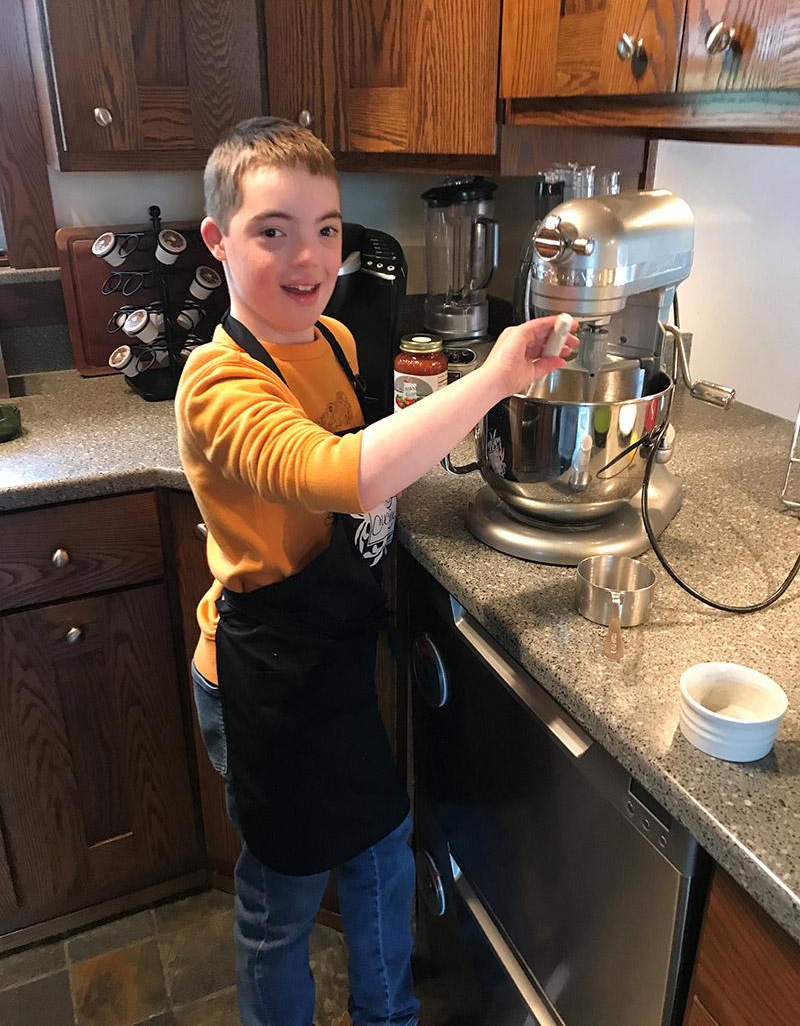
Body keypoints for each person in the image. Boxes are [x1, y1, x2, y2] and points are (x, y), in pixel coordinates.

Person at [175, 116, 577, 1026]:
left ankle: (386, 1018)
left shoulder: (338, 345)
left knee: (383, 848)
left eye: (326, 228)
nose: (309, 256)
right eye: (272, 230)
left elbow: (378, 451)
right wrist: (496, 377)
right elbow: (344, 474)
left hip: (334, 658)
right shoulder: (216, 384)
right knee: (281, 899)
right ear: (218, 240)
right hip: (262, 680)